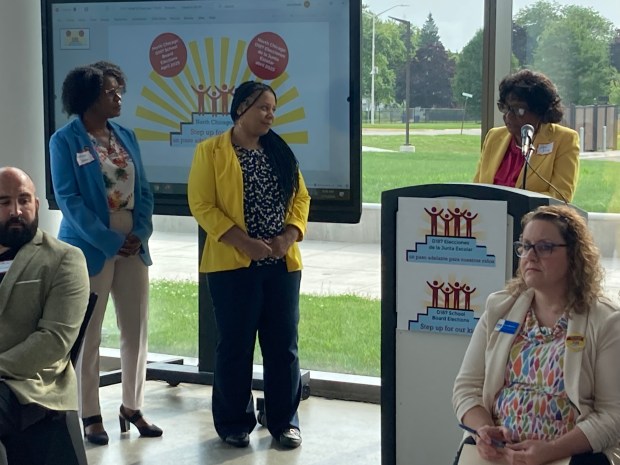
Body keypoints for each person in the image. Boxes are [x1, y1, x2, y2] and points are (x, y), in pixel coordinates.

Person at [187, 80, 311, 449]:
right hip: (231, 266)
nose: (270, 114)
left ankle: (283, 420)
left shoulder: (281, 152)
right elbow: (202, 205)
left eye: (273, 108)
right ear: (240, 108)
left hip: (281, 265)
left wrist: (287, 237)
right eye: (262, 107)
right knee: (235, 345)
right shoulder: (209, 152)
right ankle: (233, 422)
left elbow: (301, 197)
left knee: (282, 345)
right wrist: (245, 244)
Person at [452, 205, 620, 465]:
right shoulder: (500, 309)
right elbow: (465, 388)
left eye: (544, 247)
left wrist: (551, 450)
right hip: (499, 453)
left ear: (574, 256)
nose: (530, 256)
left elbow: (612, 416)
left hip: (569, 456)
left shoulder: (606, 321)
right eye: (526, 246)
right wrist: (485, 432)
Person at [49, 61, 162, 445]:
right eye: (111, 91)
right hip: (89, 244)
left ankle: (132, 406)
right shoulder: (65, 141)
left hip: (133, 241)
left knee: (136, 328)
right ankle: (89, 413)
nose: (118, 98)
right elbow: (69, 200)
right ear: (89, 97)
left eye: (119, 91)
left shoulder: (126, 135)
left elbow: (144, 190)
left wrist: (140, 231)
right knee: (89, 333)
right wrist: (111, 240)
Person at [0, 167, 90, 463]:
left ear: (36, 204)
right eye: (4, 203)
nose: (16, 211)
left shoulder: (63, 259)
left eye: (24, 200)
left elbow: (53, 341)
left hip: (30, 383)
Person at [473, 69, 579, 202]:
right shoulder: (494, 137)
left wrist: (515, 205)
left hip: (535, 221)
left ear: (540, 110)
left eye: (519, 110)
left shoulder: (564, 139)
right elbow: (476, 191)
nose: (508, 116)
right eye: (505, 108)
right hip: (491, 219)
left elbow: (561, 196)